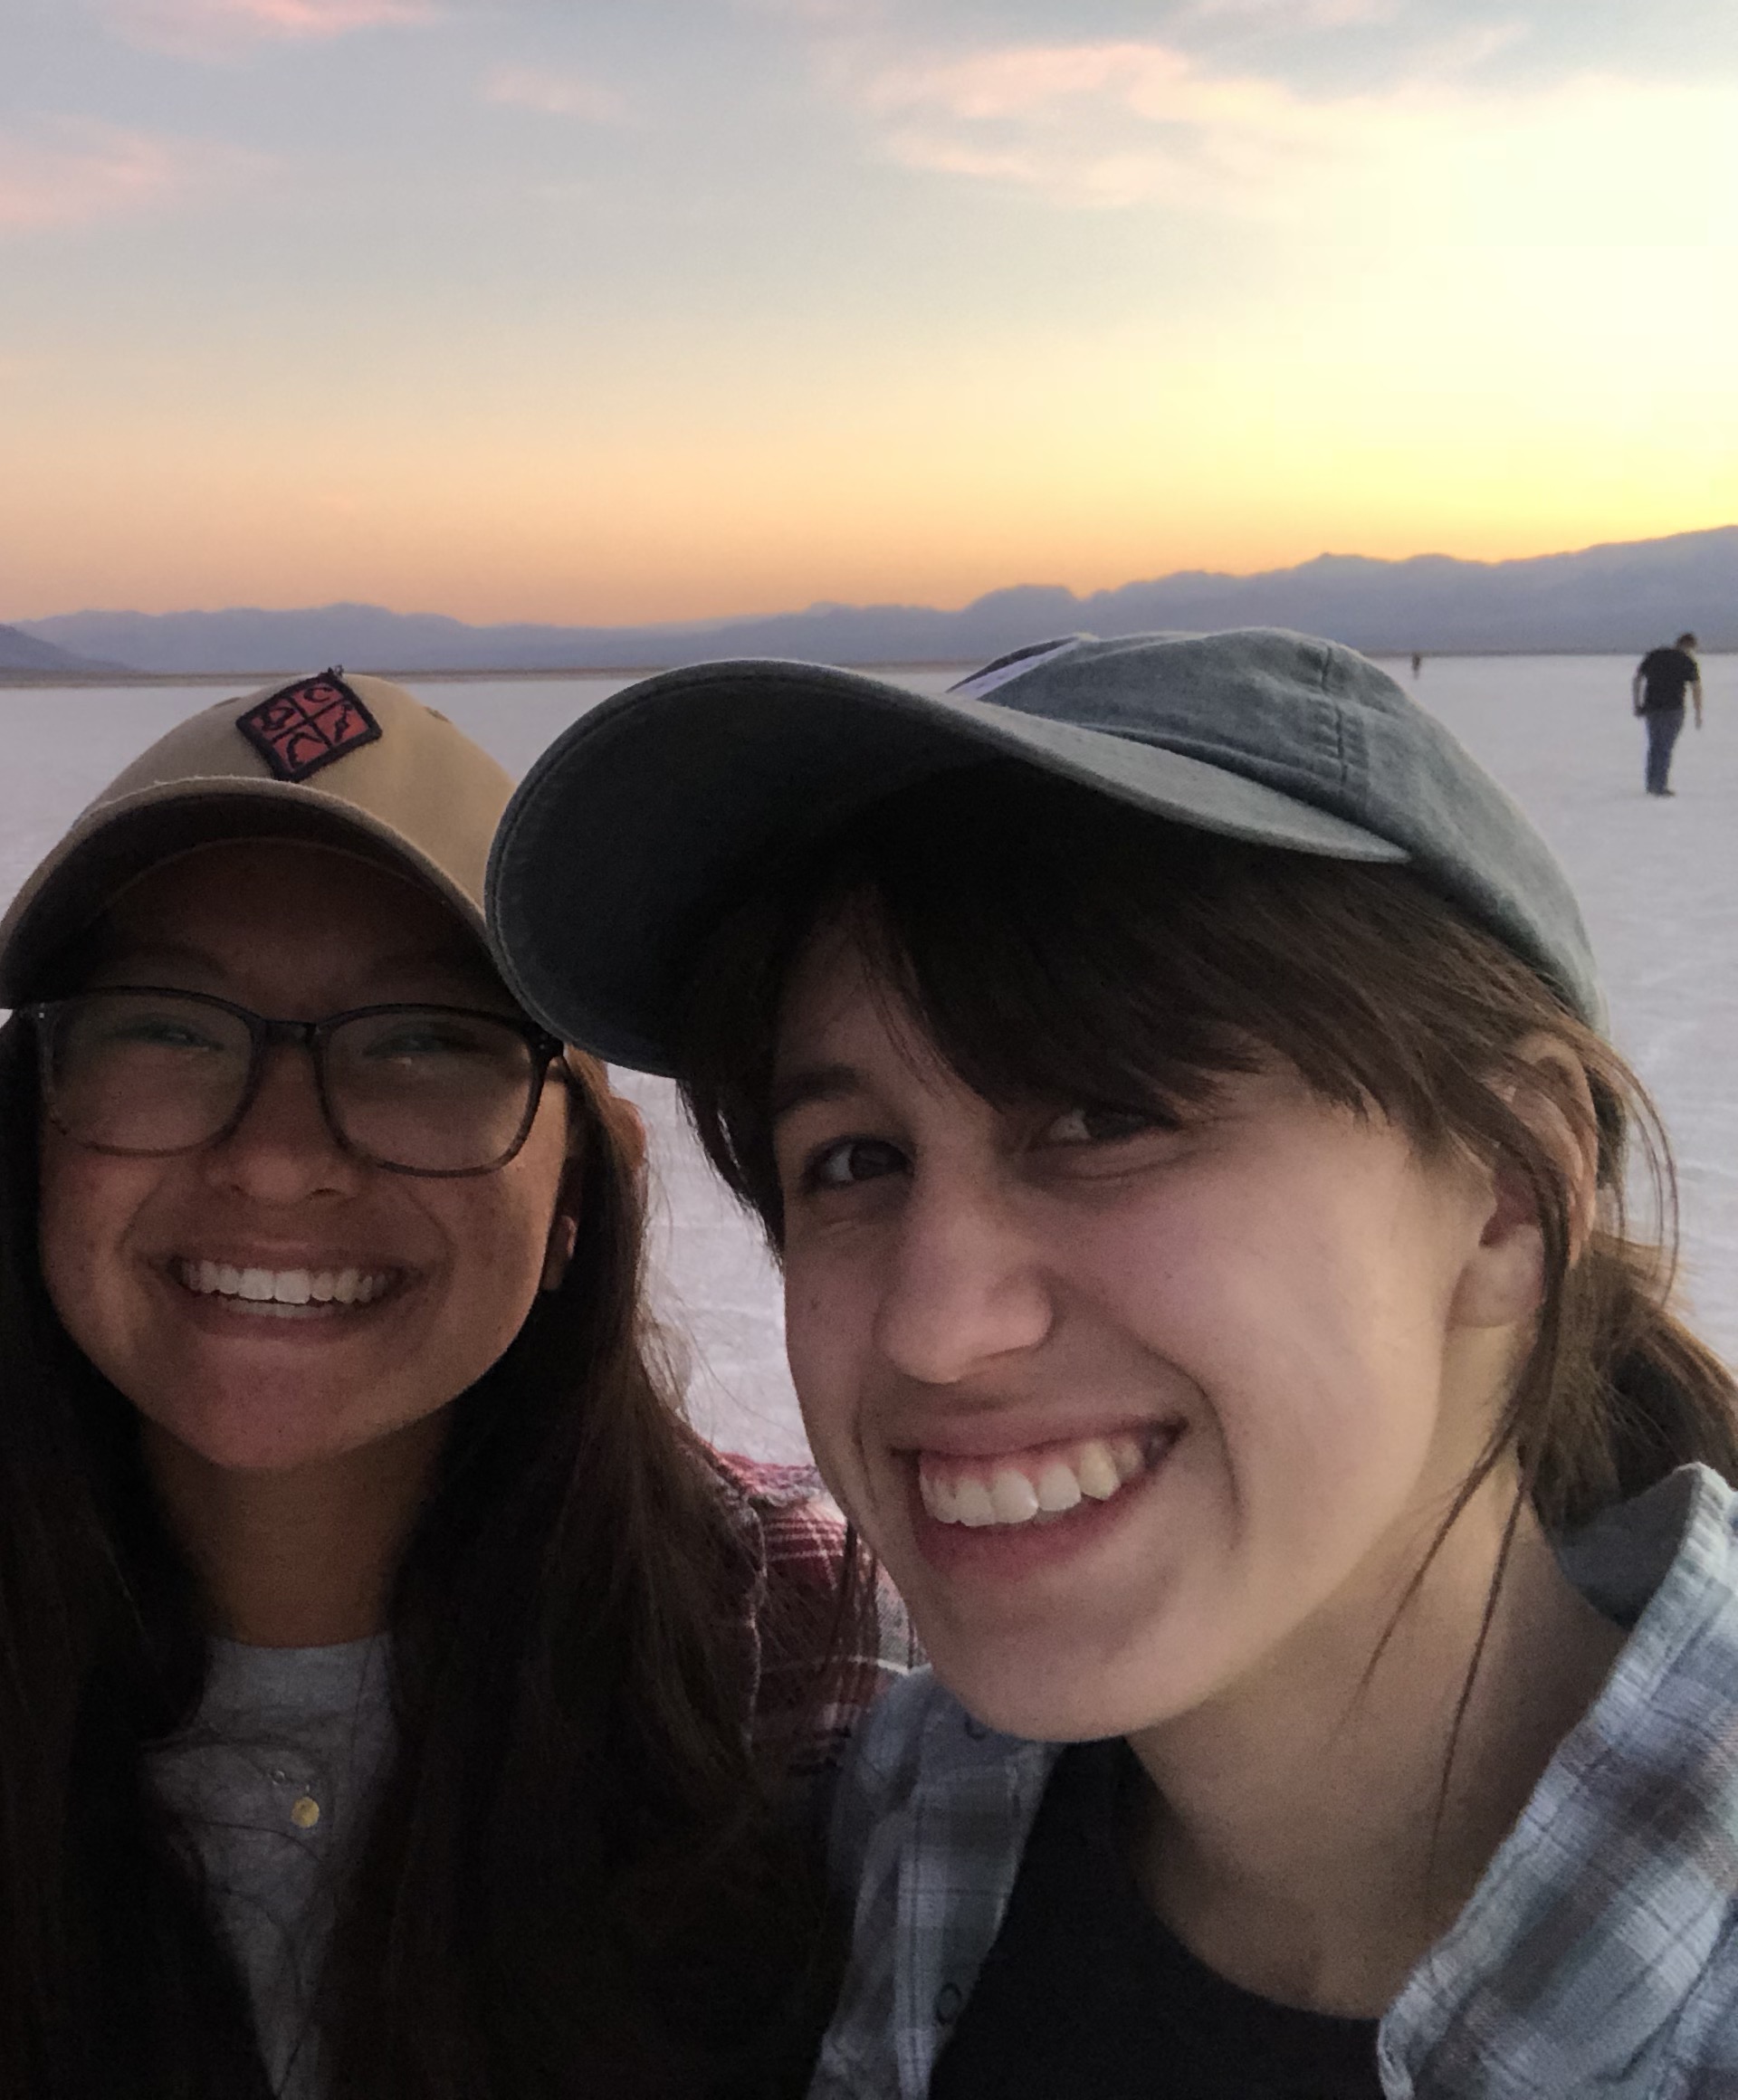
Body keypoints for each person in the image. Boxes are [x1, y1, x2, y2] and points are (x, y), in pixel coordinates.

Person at [489, 630, 1738, 2096]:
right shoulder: (905, 1829)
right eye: (856, 1159)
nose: (935, 1328)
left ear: (1509, 1197)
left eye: (1104, 1117)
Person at [0, 671, 903, 2100]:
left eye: (423, 1041)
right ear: (35, 1137)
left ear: (581, 1190)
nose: (276, 1160)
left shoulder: (803, 1654)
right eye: (167, 1027)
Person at [1634, 632, 1703, 796]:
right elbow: (1696, 688)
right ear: (1689, 646)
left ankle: (1651, 783)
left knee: (1655, 745)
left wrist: (1637, 703)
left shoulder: (1655, 655)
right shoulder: (1687, 661)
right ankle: (1659, 786)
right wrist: (1698, 712)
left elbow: (1637, 679)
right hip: (1673, 709)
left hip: (1652, 708)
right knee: (1665, 747)